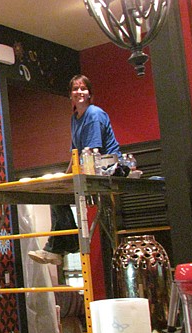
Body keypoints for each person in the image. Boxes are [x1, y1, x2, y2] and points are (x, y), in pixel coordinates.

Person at [28, 74, 121, 265]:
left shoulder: (94, 114)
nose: (79, 92)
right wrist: (65, 176)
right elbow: (75, 153)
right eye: (75, 89)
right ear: (70, 95)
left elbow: (91, 151)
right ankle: (60, 246)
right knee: (56, 194)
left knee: (59, 194)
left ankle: (60, 247)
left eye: (83, 88)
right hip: (88, 164)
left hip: (105, 166)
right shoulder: (75, 118)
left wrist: (72, 177)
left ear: (89, 94)